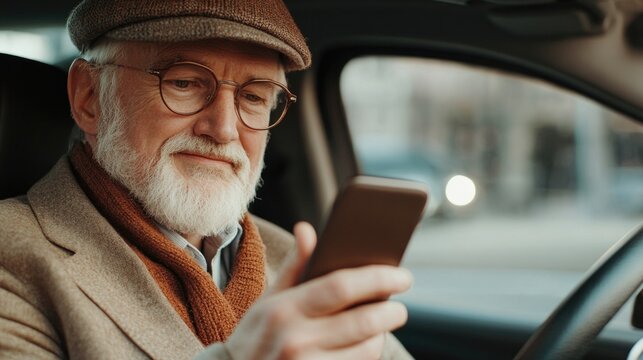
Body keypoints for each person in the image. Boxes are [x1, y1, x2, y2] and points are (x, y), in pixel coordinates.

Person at [0, 0, 414, 359]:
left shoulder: (293, 259)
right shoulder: (14, 257)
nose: (224, 129)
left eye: (253, 97)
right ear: (89, 97)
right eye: (184, 83)